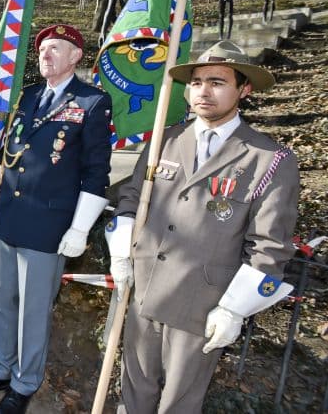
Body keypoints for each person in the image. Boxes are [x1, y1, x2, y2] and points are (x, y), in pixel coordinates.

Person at [106, 40, 299, 413]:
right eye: (196, 82)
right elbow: (131, 199)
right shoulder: (166, 140)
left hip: (203, 304)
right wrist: (121, 252)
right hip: (144, 289)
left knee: (179, 404)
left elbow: (269, 247)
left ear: (244, 89)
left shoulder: (268, 159)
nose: (203, 92)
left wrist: (234, 309)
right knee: (134, 395)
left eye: (217, 82)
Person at [0, 24, 112, 414]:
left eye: (55, 48)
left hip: (49, 225)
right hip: (10, 215)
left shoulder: (93, 102)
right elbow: (9, 147)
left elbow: (96, 172)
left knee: (33, 309)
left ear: (76, 56)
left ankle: (24, 382)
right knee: (0, 299)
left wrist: (80, 228)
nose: (44, 54)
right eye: (42, 48)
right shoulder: (29, 95)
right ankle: (0, 367)